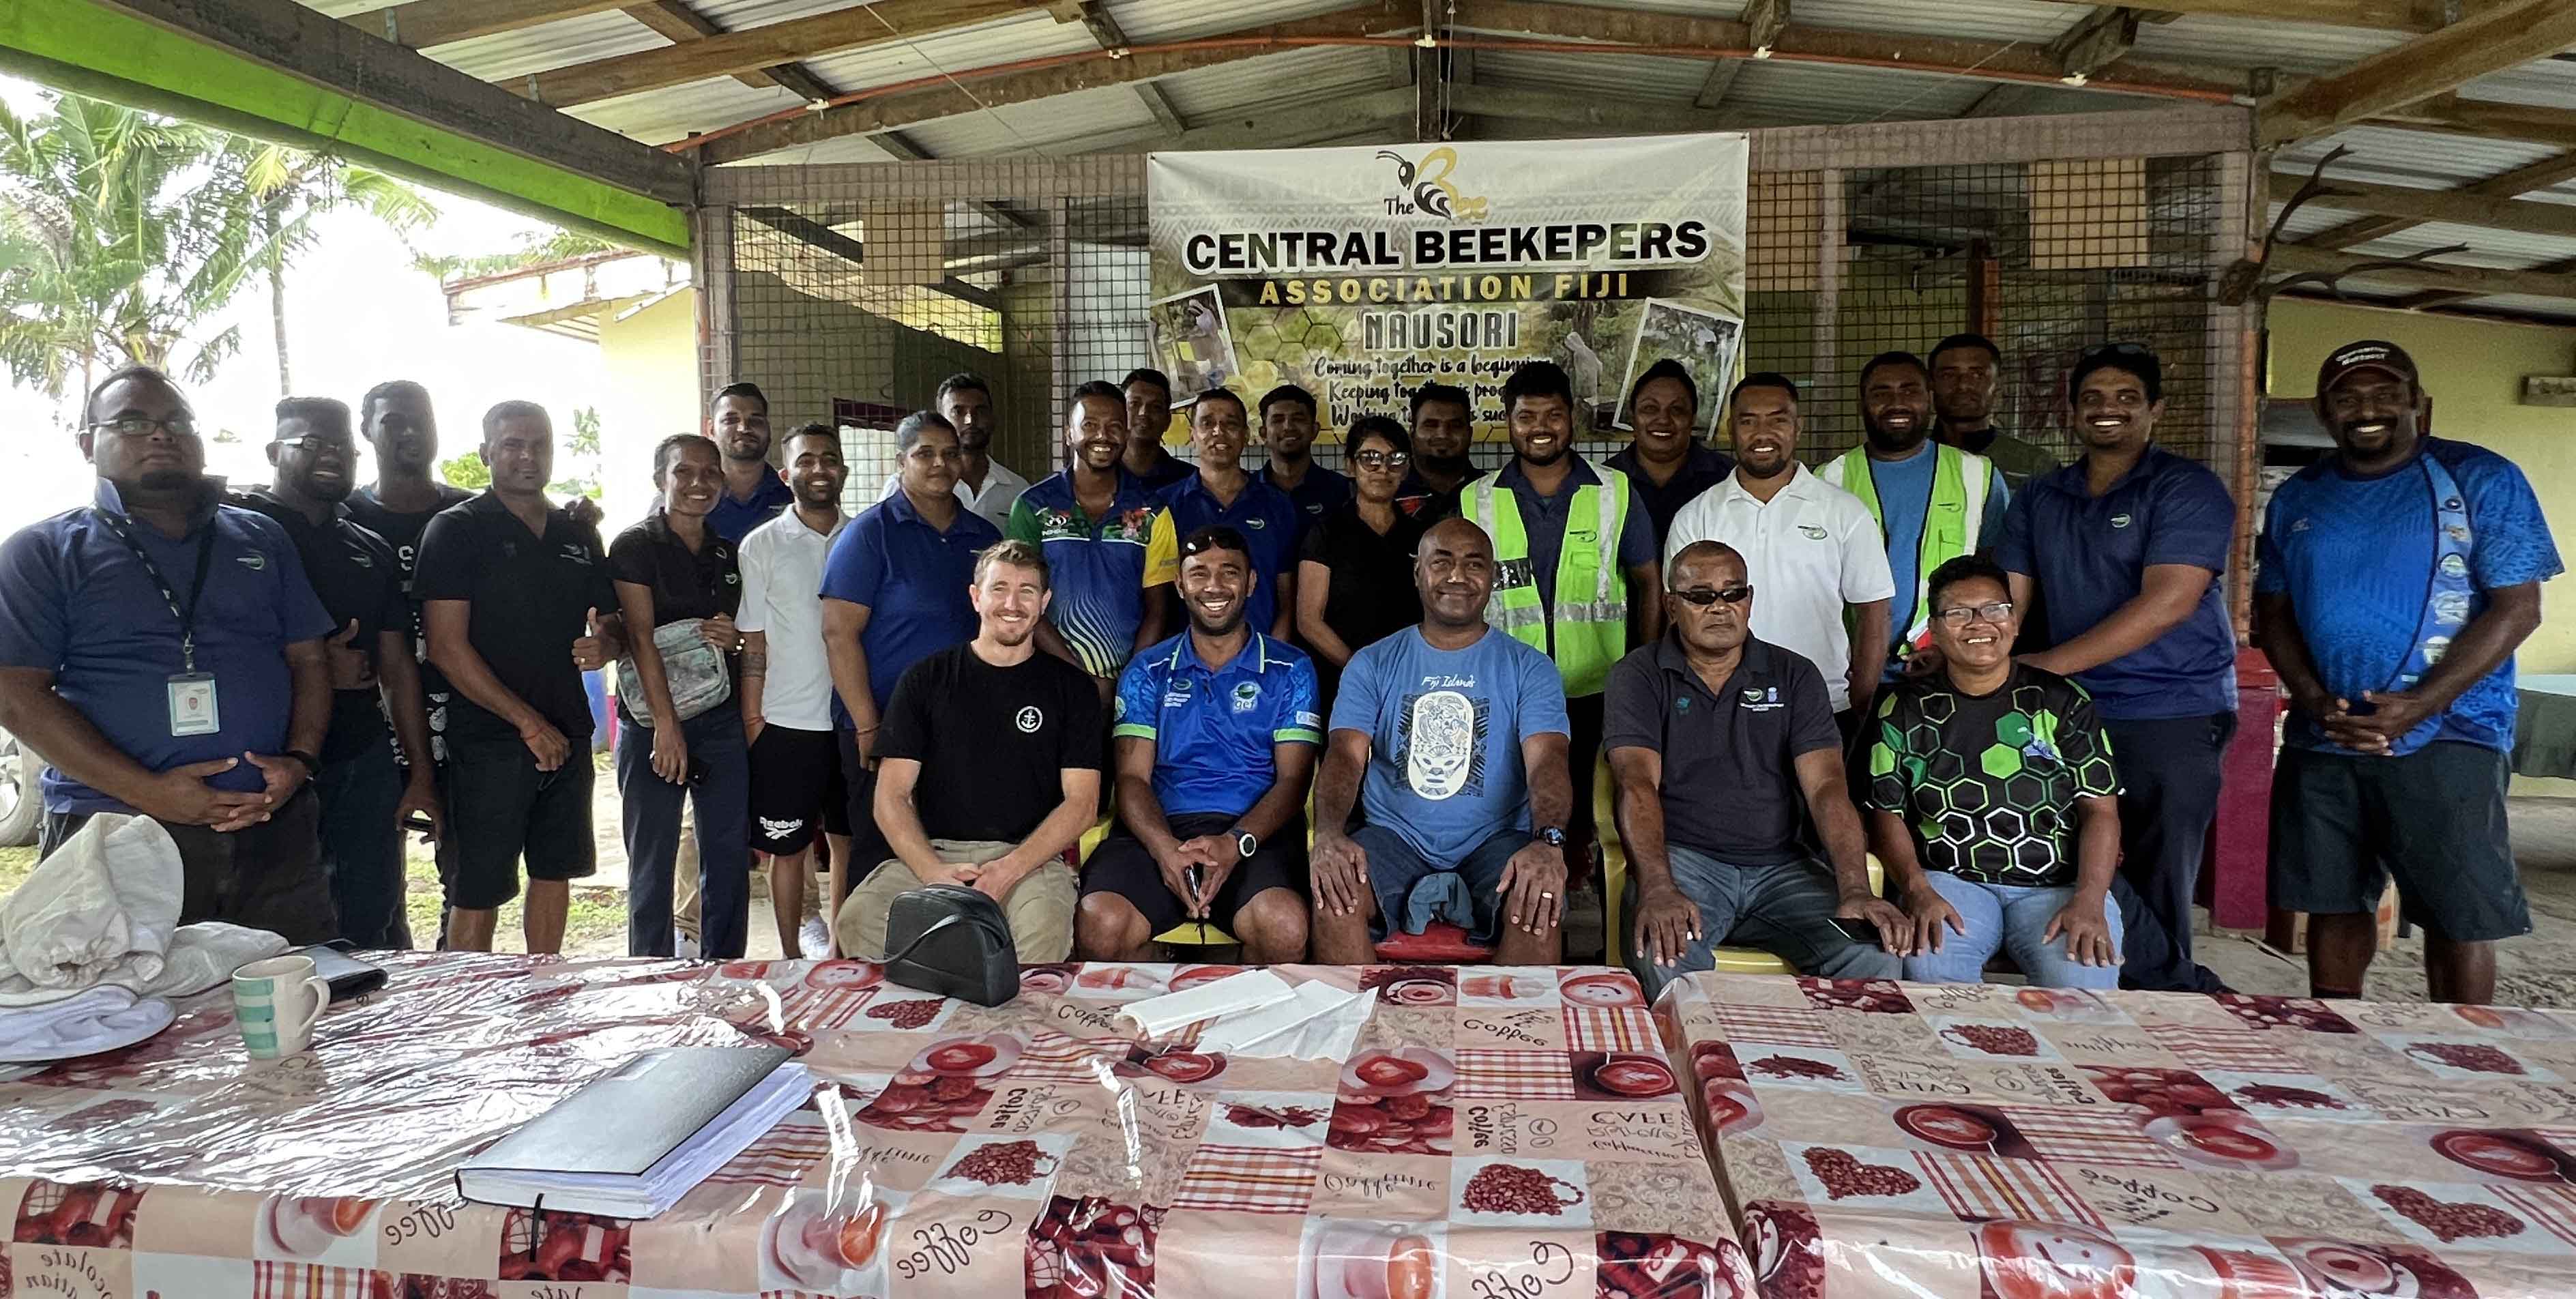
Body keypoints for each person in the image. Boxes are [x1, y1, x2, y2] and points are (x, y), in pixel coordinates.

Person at [2258, 340, 2560, 1006]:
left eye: (2384, 393)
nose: (2365, 409)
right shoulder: (2298, 496)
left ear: (2416, 404)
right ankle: (2337, 1033)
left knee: (2454, 913)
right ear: (2320, 410)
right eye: (2345, 396)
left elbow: (2517, 609)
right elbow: (2271, 612)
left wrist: (2418, 705)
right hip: (2325, 735)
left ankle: (2462, 1052)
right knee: (2331, 899)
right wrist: (2310, 701)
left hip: (2449, 731)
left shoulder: (2480, 477)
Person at [0, 366, 338, 942]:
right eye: (133, 422)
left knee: (293, 998)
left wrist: (299, 764)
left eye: (177, 421)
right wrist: (151, 793)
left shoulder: (260, 538)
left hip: (270, 825)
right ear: (90, 444)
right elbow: (14, 691)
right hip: (114, 829)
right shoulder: (44, 551)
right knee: (124, 1011)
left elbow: (309, 661)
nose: (162, 435)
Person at [2000, 343, 2237, 993]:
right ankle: (2136, 989)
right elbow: (2011, 600)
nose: (2109, 411)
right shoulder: (2042, 495)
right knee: (2077, 857)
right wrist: (1986, 657)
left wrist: (2037, 668)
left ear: (2155, 409)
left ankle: (2170, 1000)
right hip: (2067, 710)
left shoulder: (2187, 488)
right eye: (2094, 399)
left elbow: (2168, 602)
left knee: (2160, 872)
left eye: (2127, 398)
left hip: (2171, 709)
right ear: (2072, 411)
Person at [1607, 542, 1907, 997]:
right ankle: (1702, 1065)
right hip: (1686, 863)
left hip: (1783, 869)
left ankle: (1818, 1067)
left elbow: (1826, 787)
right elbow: (1636, 783)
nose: (1720, 608)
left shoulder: (1794, 674)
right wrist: (1659, 885)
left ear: (1750, 600)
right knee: (1664, 950)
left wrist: (1855, 889)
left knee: (1873, 951)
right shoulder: (1640, 675)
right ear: (1671, 606)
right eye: (1701, 596)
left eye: (1734, 593)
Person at [1310, 517, 1572, 964]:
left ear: (1493, 578)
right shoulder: (1372, 663)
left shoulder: (1530, 667)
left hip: (1496, 841)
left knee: (1538, 898)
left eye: (1474, 564)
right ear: (1418, 573)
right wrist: (1330, 835)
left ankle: (1509, 1031)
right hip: (1395, 839)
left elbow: (1547, 762)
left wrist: (1548, 843)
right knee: (1336, 890)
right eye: (1442, 562)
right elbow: (1345, 756)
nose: (1457, 576)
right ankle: (1357, 1029)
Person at [415, 401, 625, 954]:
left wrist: (607, 643)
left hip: (569, 732)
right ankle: (466, 1014)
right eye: (512, 444)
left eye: (539, 444)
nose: (527, 456)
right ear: (486, 453)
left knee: (555, 871)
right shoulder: (456, 531)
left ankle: (544, 993)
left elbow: (613, 621)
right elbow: (445, 646)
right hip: (490, 742)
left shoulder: (576, 534)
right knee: (478, 888)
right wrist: (527, 724)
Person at [231, 398, 439, 948]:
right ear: (275, 451)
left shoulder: (364, 546)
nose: (331, 457)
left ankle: (382, 1031)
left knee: (374, 916)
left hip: (361, 757)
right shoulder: (237, 535)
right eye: (312, 444)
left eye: (341, 448)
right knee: (282, 932)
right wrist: (319, 666)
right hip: (267, 763)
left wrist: (419, 771)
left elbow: (396, 665)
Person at [836, 540, 1102, 961]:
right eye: (999, 589)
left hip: (1029, 861)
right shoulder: (925, 679)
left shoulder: (1073, 689)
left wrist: (1008, 870)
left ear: (1044, 602)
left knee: (1040, 935)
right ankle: (911, 1024)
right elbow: (891, 796)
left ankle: (1014, 1030)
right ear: (976, 597)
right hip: (934, 854)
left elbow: (1082, 803)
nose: (1012, 604)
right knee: (859, 920)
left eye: (1027, 591)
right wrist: (934, 875)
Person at [1870, 557, 2124, 990]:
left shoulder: (2063, 702)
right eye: (1959, 613)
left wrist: (2090, 898)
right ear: (1936, 626)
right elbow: (1885, 812)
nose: (1979, 624)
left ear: (2014, 620)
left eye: (1994, 609)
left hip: (2057, 887)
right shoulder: (1905, 708)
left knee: (2084, 988)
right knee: (1931, 976)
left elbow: (2100, 811)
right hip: (1953, 883)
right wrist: (1916, 888)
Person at [1078, 526, 1319, 963]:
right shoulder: (1147, 670)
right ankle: (1151, 1027)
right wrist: (1164, 848)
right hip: (1158, 826)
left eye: (1230, 573)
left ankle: (1243, 1028)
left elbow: (1294, 781)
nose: (1214, 586)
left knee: (1283, 925)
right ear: (1180, 584)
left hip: (1254, 832)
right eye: (1199, 573)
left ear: (1250, 583)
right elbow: (1132, 777)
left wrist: (1236, 842)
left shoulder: (1290, 668)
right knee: (1101, 922)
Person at [1461, 359, 1660, 856]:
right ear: (1508, 421)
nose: (1540, 428)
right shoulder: (1475, 500)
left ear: (1571, 418)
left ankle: (1577, 883)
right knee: (1513, 798)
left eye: (1553, 415)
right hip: (1509, 686)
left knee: (1590, 804)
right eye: (1527, 416)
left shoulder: (1614, 491)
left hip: (1597, 686)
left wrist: (1645, 665)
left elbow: (1649, 582)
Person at [821, 411, 1001, 920]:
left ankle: (945, 954)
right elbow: (838, 632)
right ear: (901, 463)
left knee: (946, 849)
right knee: (880, 851)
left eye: (950, 453)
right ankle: (867, 974)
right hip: (882, 725)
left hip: (960, 726)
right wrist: (867, 724)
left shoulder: (980, 536)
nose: (940, 464)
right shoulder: (870, 533)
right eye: (925, 454)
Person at [1665, 374, 1894, 735]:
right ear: (1731, 429)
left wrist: (1860, 700)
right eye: (1748, 420)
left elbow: (1874, 611)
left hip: (1823, 706)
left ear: (1797, 428)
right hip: (1720, 708)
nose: (1763, 433)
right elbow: (1677, 618)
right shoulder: (1697, 516)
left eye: (1778, 419)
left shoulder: (1844, 512)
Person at [609, 435, 751, 959]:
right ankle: (647, 973)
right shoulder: (635, 546)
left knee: (727, 854)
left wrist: (731, 637)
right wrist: (667, 728)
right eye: (683, 473)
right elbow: (639, 636)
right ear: (660, 481)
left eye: (710, 473)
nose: (698, 484)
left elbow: (739, 634)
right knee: (652, 858)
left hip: (718, 718)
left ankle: (725, 968)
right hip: (652, 721)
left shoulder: (725, 552)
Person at [740, 423, 855, 959]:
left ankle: (840, 953)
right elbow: (754, 640)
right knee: (786, 847)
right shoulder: (761, 545)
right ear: (786, 475)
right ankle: (788, 959)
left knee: (848, 842)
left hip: (853, 720)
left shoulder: (863, 539)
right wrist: (752, 720)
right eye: (806, 461)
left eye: (828, 459)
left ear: (844, 471)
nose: (818, 470)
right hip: (788, 722)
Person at [1821, 351, 2009, 677]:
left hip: (1946, 667)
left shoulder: (1977, 475)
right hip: (1848, 672)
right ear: (1862, 404)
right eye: (1881, 393)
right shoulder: (1828, 479)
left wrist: (1950, 648)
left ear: (1930, 399)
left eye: (1910, 391)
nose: (1897, 403)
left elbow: (1997, 580)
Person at [1009, 381, 1168, 692]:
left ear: (1126, 433)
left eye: (1115, 427)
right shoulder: (1033, 506)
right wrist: (1080, 679)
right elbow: (1022, 602)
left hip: (1126, 686)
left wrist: (1129, 682)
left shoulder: (1153, 511)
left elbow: (1158, 610)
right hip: (1047, 679)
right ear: (1069, 434)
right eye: (1089, 425)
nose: (1102, 436)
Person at [1296, 418, 1429, 702]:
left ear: (1406, 469)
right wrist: (1360, 670)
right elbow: (1308, 621)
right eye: (1370, 458)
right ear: (1350, 466)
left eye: (1395, 459)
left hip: (1411, 680)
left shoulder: (1423, 535)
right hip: (1343, 681)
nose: (1383, 469)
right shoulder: (1326, 532)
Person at [1147, 390, 1300, 640]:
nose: (1218, 432)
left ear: (1245, 436)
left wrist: (1270, 658)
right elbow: (1157, 601)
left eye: (1231, 424)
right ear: (1192, 435)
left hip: (1260, 658)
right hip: (1185, 662)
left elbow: (1287, 601)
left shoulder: (1277, 506)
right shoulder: (1164, 506)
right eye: (1207, 423)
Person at [1606, 360, 1733, 551]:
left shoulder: (1728, 478)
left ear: (1692, 419)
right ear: (1633, 417)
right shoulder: (1604, 481)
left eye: (1677, 410)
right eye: (1650, 409)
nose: (1663, 419)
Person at [879, 373, 1030, 530]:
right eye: (958, 412)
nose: (970, 420)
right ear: (941, 420)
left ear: (992, 418)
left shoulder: (1017, 489)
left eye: (980, 411)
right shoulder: (903, 486)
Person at [1929, 333, 2060, 491]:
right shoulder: (1905, 456)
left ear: (1998, 386)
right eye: (1949, 375)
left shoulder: (2036, 466)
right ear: (1931, 384)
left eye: (1977, 375)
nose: (1963, 385)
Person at [1253, 383, 1353, 534]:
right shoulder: (1246, 492)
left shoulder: (1342, 491)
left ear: (1314, 430)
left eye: (1298, 419)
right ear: (1263, 434)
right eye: (1278, 420)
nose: (1288, 427)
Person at [705, 381, 795, 544]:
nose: (744, 428)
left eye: (756, 420)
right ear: (711, 430)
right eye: (731, 420)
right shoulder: (691, 494)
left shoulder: (793, 495)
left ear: (768, 428)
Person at [1398, 381, 1481, 504]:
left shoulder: (1492, 489)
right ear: (1412, 433)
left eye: (1455, 426)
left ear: (1470, 433)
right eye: (1431, 425)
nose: (1443, 435)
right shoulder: (1390, 489)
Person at [1121, 367, 1194, 490]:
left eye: (1156, 407)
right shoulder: (1096, 477)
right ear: (1118, 413)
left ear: (1167, 420)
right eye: (1134, 404)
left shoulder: (1190, 482)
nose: (1143, 413)